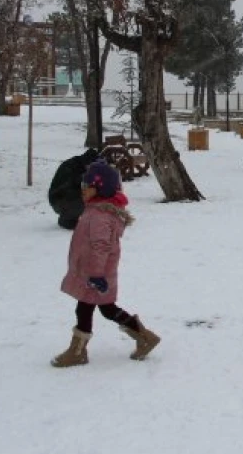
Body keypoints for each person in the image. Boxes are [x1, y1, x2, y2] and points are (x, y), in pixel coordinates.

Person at [52, 159, 161, 368]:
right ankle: (144, 337)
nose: (83, 190)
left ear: (100, 189)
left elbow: (100, 247)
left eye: (88, 186)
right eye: (82, 186)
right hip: (96, 274)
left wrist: (95, 275)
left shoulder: (99, 216)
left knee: (86, 310)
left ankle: (78, 351)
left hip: (95, 275)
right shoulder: (96, 211)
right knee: (106, 309)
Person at [48, 148, 100, 229]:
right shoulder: (71, 167)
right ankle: (66, 219)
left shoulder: (83, 166)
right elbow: (67, 187)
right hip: (58, 199)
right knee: (86, 200)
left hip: (69, 196)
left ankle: (74, 216)